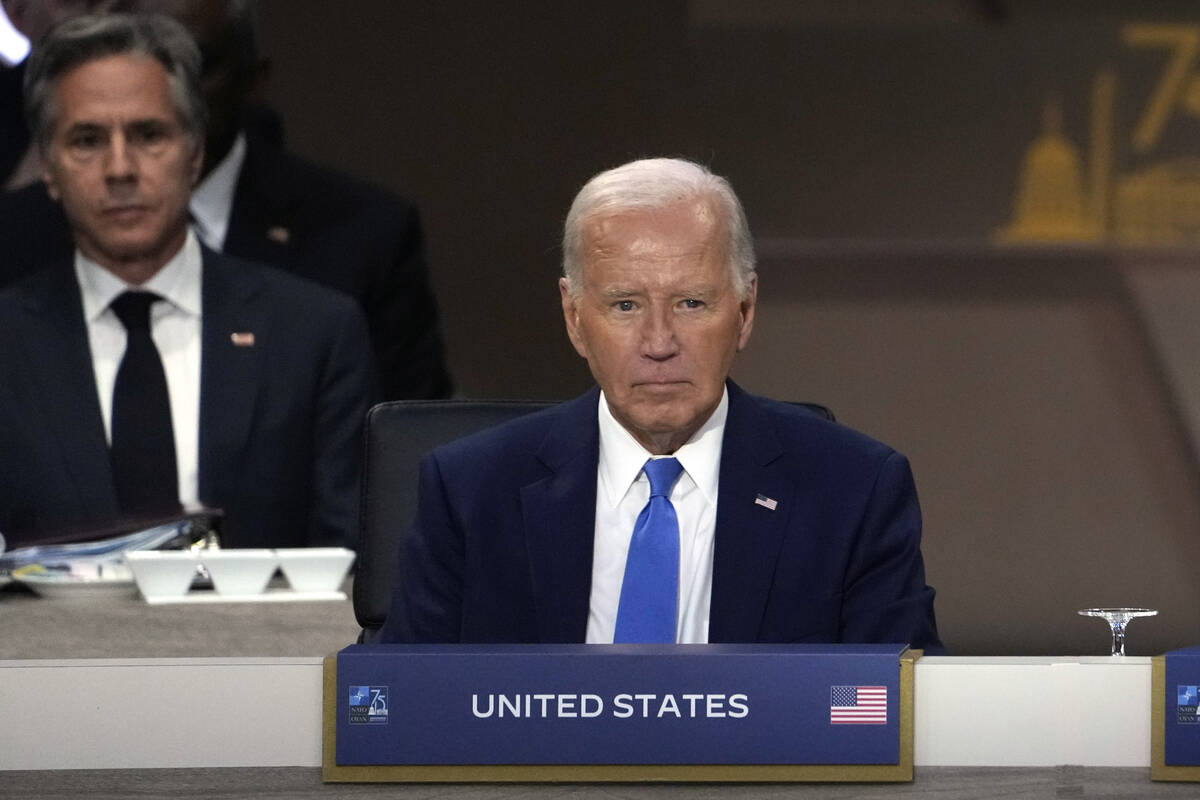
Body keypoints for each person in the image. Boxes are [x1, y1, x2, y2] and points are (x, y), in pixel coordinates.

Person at [378, 157, 942, 651]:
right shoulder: (471, 491)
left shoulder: (853, 490)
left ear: (744, 311)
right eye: (625, 305)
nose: (659, 343)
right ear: (574, 318)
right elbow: (406, 707)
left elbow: (893, 710)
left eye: (692, 303)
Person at [0, 13, 374, 548]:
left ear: (194, 153)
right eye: (87, 140)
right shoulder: (8, 343)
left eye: (149, 135)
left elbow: (355, 565)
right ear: (50, 172)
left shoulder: (312, 333)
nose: (120, 168)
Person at [0, 0, 453, 400]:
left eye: (196, 65)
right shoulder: (18, 237)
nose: (177, 91)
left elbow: (402, 452)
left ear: (253, 79)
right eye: (86, 140)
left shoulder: (360, 239)